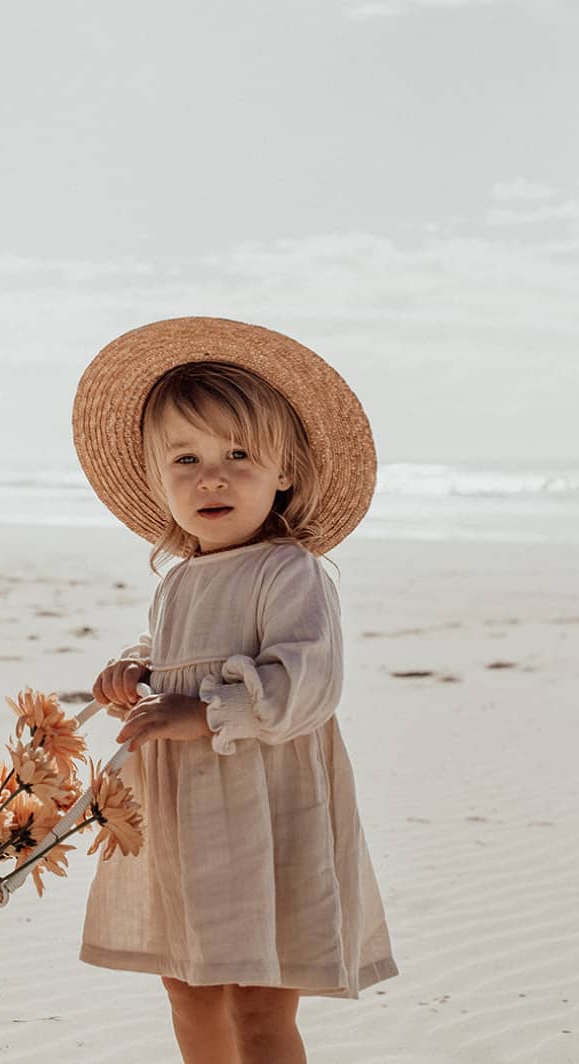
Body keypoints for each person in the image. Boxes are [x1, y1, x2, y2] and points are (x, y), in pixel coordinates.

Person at [71, 317, 399, 1064]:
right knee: (186, 987)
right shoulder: (180, 580)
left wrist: (208, 712)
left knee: (258, 998)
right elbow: (178, 661)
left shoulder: (290, 571)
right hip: (184, 818)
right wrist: (137, 676)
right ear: (159, 480)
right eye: (185, 459)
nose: (210, 477)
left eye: (238, 455)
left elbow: (309, 682)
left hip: (264, 812)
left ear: (284, 471)